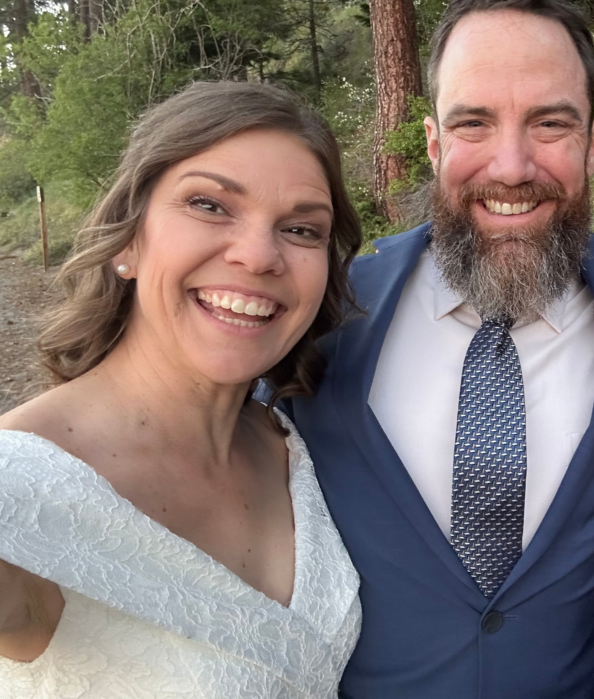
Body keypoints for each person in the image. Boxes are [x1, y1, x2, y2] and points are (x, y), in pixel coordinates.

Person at [282, 0, 594, 698]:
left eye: (550, 124)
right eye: (473, 123)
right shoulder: (323, 308)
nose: (511, 167)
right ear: (432, 142)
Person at [0, 81, 364, 697]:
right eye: (210, 205)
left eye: (302, 230)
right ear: (128, 241)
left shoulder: (291, 443)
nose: (258, 256)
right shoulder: (23, 480)